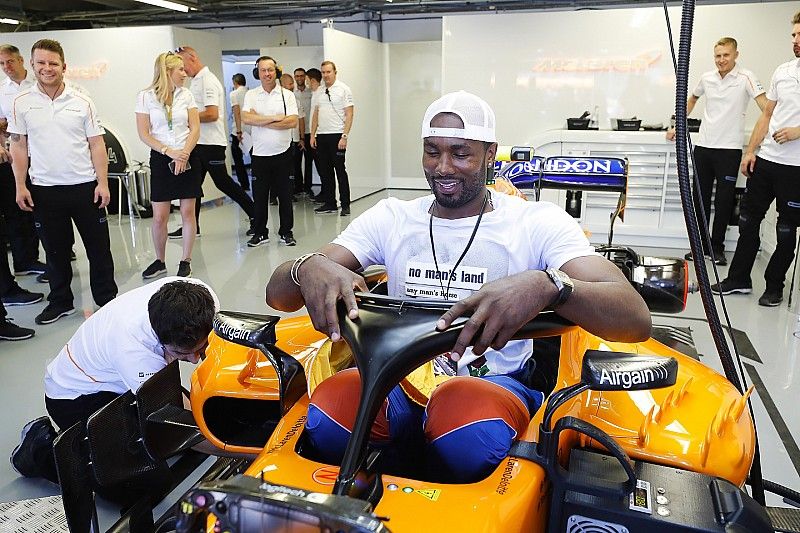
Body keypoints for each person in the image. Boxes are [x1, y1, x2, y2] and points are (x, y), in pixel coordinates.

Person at [266, 91, 651, 482]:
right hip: (399, 377)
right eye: (432, 152)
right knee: (331, 412)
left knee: (466, 423)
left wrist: (549, 285)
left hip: (489, 385)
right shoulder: (392, 217)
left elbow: (634, 318)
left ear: (490, 154)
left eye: (461, 153)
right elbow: (277, 295)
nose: (443, 168)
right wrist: (306, 266)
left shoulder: (536, 223)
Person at [10, 277, 218, 483]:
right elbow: (177, 422)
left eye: (200, 348)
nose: (193, 360)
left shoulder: (204, 301)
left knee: (195, 427)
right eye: (183, 353)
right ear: (159, 339)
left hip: (118, 378)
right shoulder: (132, 346)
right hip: (75, 396)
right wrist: (238, 450)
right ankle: (39, 451)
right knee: (138, 482)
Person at [10, 39, 118, 325]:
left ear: (63, 66)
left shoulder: (83, 101)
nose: (47, 68)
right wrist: (20, 185)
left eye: (53, 63)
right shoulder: (22, 103)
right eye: (41, 62)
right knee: (55, 252)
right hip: (44, 190)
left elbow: (97, 144)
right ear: (32, 65)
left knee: (99, 250)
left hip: (85, 187)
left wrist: (103, 183)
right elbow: (18, 146)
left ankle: (107, 301)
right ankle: (61, 302)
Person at [712, 12, 800, 307]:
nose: (795, 41)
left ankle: (774, 285)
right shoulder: (783, 71)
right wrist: (751, 150)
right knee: (748, 220)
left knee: (786, 229)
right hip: (767, 161)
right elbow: (767, 114)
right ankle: (739, 279)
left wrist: (798, 131)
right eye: (793, 35)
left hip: (795, 168)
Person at [667, 37, 766, 266]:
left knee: (723, 202)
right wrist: (677, 124)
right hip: (704, 147)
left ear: (736, 55)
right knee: (698, 199)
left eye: (726, 55)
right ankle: (700, 247)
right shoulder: (707, 78)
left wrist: (771, 128)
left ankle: (717, 248)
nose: (721, 60)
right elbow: (691, 99)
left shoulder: (746, 77)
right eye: (718, 56)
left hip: (729, 150)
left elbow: (766, 107)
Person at [171, 46, 255, 238]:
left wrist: (186, 116)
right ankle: (192, 225)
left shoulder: (208, 81)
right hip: (197, 143)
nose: (183, 71)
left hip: (211, 144)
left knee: (224, 183)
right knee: (192, 186)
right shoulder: (195, 82)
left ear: (193, 58)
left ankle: (255, 215)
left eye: (183, 66)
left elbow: (211, 113)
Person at [136, 52, 202, 279]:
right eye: (180, 70)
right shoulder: (145, 97)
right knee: (159, 216)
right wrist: (168, 151)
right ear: (167, 72)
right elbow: (144, 133)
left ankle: (186, 260)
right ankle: (160, 260)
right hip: (162, 157)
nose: (185, 74)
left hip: (187, 155)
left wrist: (183, 154)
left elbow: (195, 128)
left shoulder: (187, 96)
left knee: (187, 211)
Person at [0, 45, 47, 280]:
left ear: (21, 61)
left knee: (43, 206)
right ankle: (25, 259)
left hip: (42, 155)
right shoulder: (2, 91)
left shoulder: (38, 85)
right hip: (15, 157)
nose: (7, 67)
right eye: (2, 64)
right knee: (19, 211)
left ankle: (52, 251)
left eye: (10, 61)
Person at [242, 56, 299, 248]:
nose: (267, 74)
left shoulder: (287, 95)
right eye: (263, 70)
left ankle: (286, 232)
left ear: (277, 72)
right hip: (259, 155)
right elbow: (247, 119)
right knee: (259, 197)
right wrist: (275, 119)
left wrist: (261, 119)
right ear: (257, 73)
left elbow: (292, 122)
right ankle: (260, 233)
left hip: (283, 153)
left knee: (285, 196)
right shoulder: (251, 95)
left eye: (270, 70)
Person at [310, 61, 354, 216]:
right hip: (322, 136)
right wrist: (313, 134)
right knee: (325, 172)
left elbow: (349, 113)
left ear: (335, 72)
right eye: (323, 72)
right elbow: (316, 114)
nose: (325, 75)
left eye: (328, 72)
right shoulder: (319, 91)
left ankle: (346, 205)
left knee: (340, 171)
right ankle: (330, 204)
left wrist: (344, 136)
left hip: (337, 136)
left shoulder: (343, 89)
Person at [293, 67, 314, 196]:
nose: (299, 78)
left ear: (305, 77)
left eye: (302, 76)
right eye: (297, 76)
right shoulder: (291, 94)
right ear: (294, 77)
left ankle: (308, 186)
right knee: (296, 162)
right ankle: (298, 186)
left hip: (309, 131)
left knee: (309, 161)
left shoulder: (311, 92)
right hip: (296, 133)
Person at [229, 73, 250, 190]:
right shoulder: (250, 92)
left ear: (235, 82)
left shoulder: (234, 94)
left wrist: (238, 131)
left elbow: (237, 113)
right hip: (251, 129)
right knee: (255, 158)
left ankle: (244, 184)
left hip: (239, 130)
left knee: (237, 159)